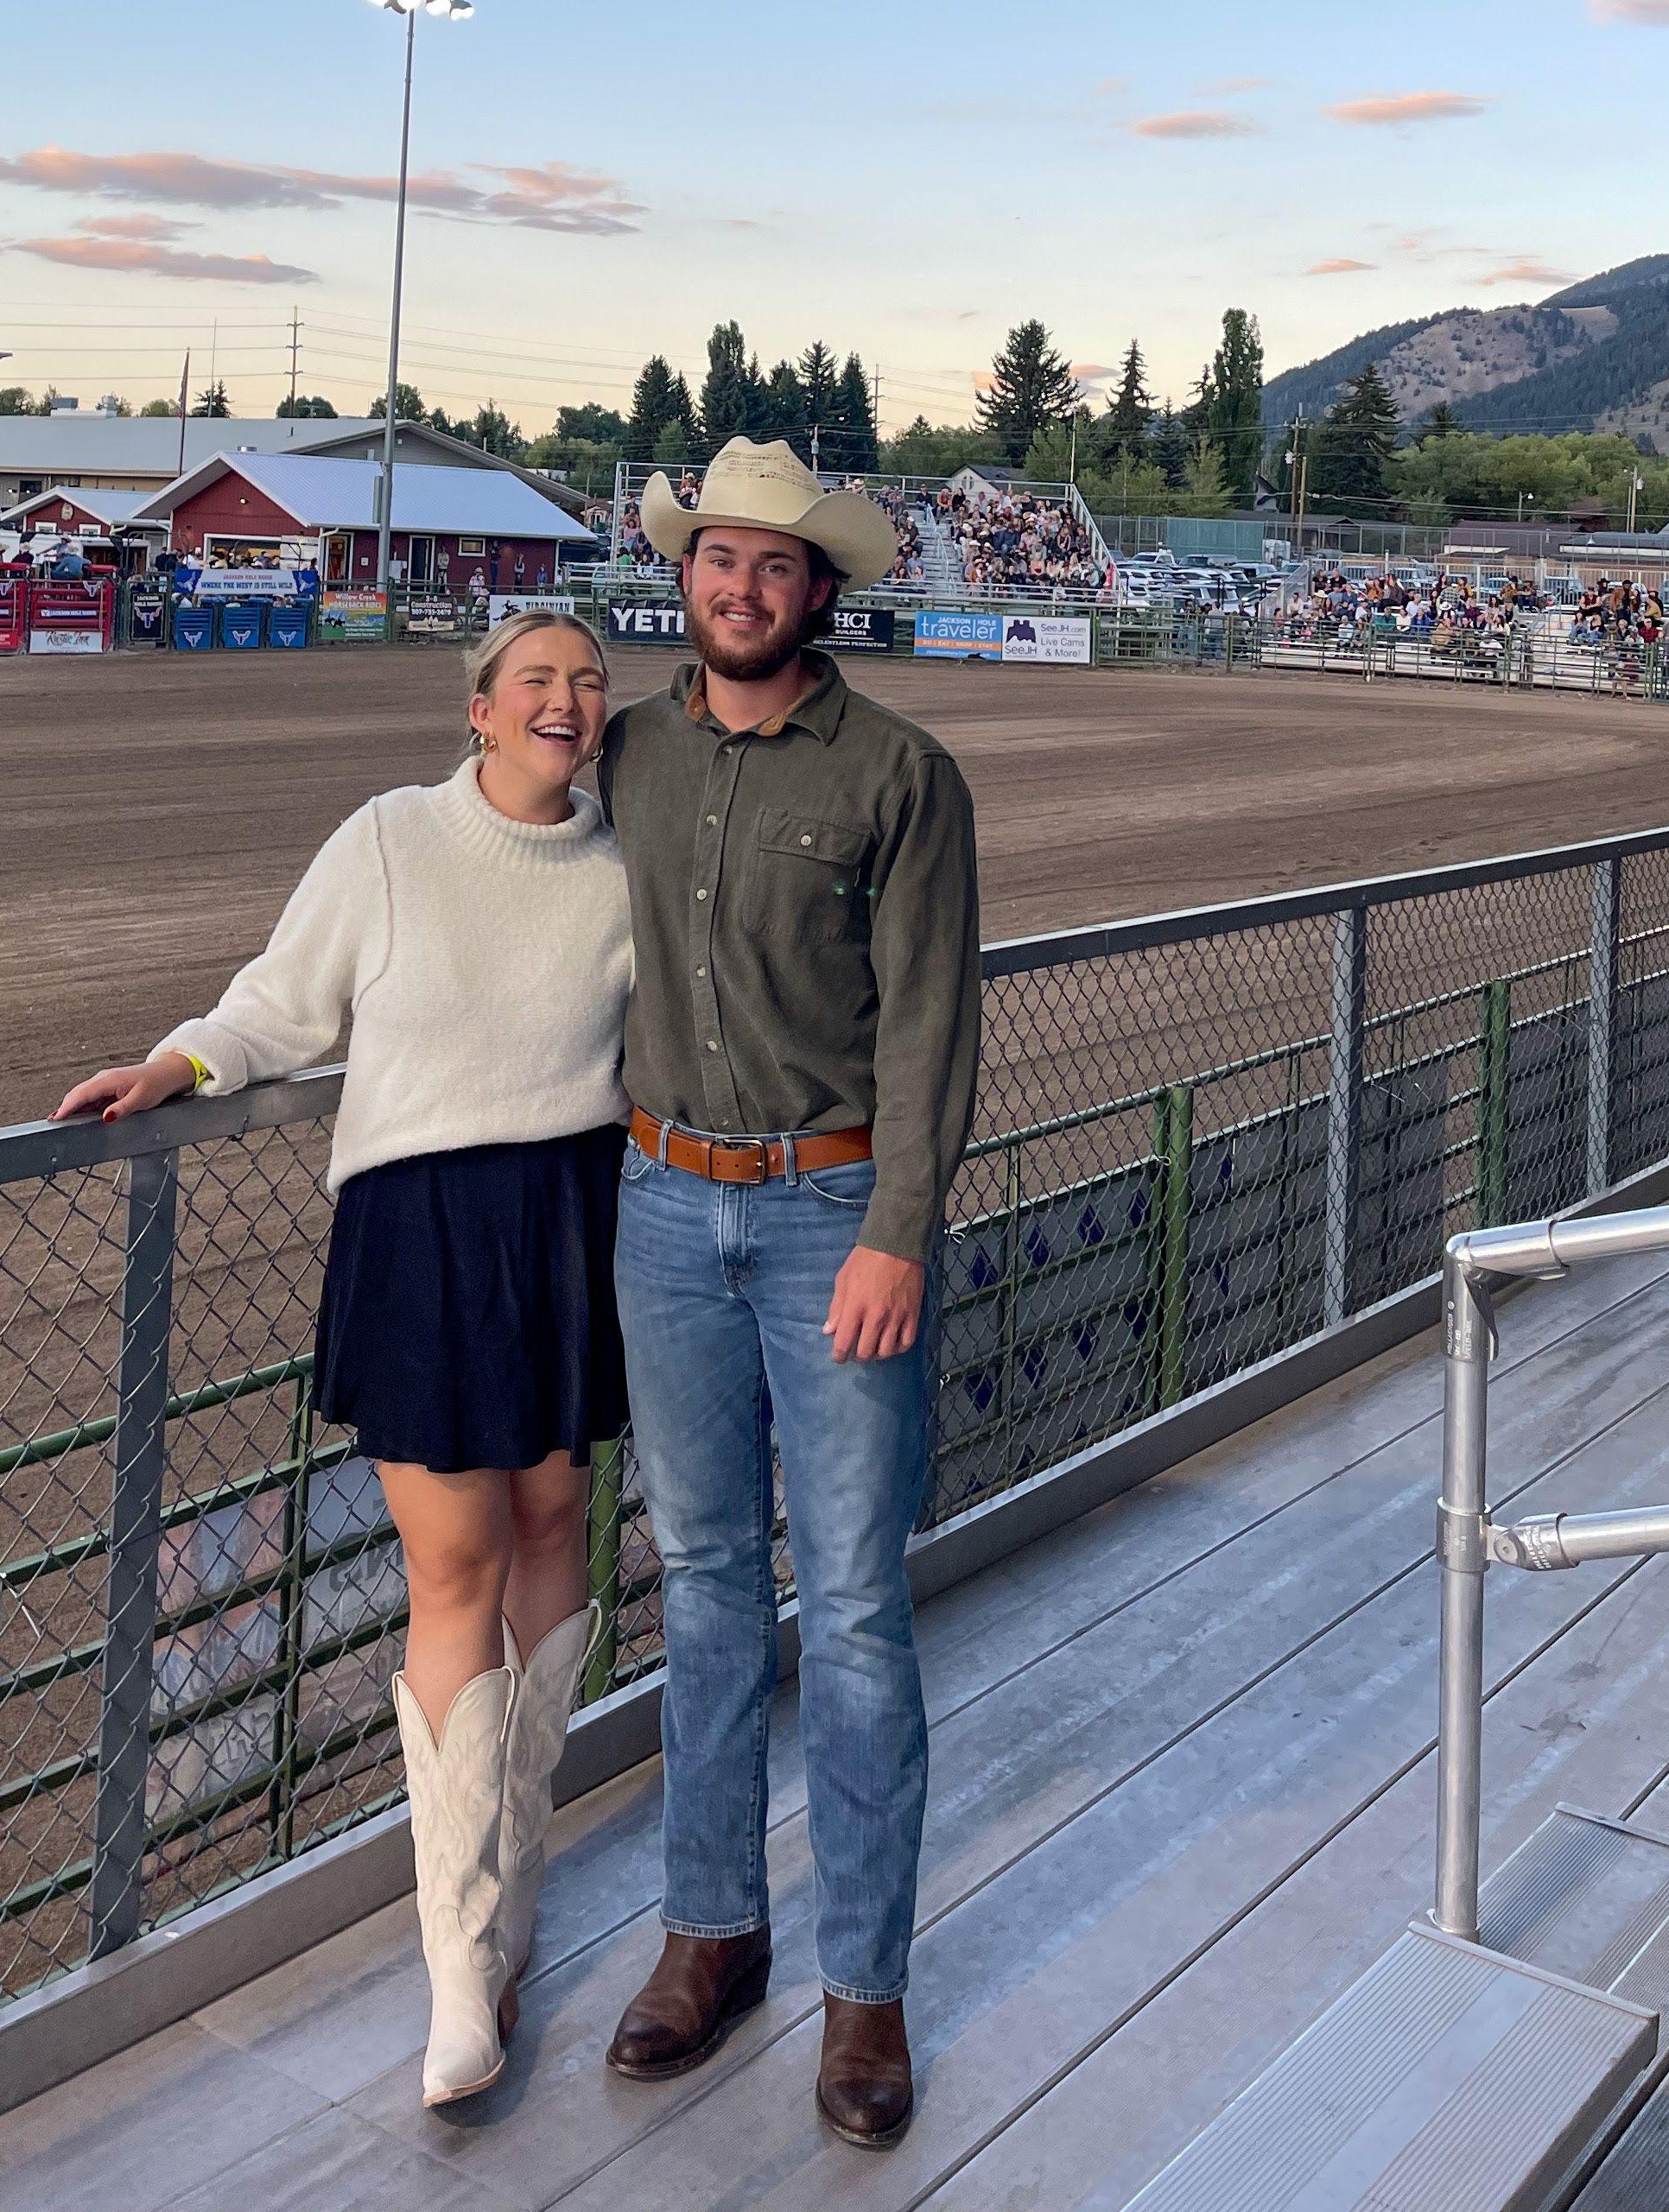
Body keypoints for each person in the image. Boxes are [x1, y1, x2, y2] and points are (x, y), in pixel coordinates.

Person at [53, 613, 633, 2115]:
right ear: (480, 712)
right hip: (422, 1229)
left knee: (555, 1529)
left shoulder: (624, 863)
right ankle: (456, 1971)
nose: (565, 703)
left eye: (586, 682)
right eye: (536, 685)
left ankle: (511, 1898)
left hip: (569, 1219)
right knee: (455, 1568)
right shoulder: (389, 840)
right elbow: (279, 1001)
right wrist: (177, 1063)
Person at [596, 438, 980, 2152]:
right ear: (684, 581)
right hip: (663, 1204)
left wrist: (901, 1227)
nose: (739, 589)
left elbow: (928, 1026)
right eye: (714, 562)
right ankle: (711, 1934)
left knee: (858, 1613)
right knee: (697, 1592)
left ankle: (866, 1988)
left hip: (834, 1220)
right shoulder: (634, 753)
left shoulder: (903, 774)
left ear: (821, 589)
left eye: (772, 566)